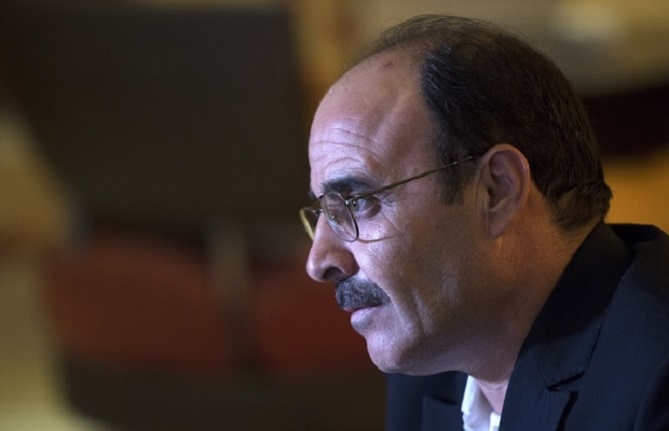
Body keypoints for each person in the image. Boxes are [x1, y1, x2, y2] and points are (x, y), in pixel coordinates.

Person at [299, 14, 669, 431]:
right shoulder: (431, 368)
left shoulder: (656, 379)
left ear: (497, 191)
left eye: (357, 202)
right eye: (325, 212)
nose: (319, 262)